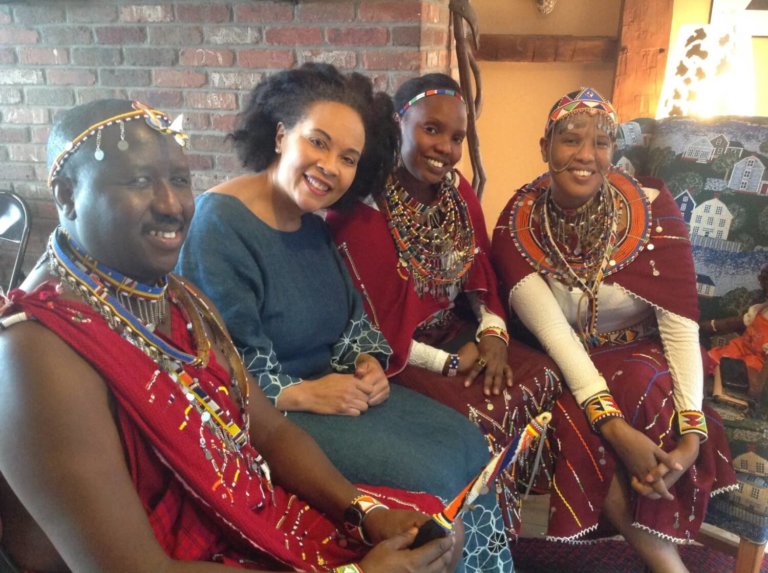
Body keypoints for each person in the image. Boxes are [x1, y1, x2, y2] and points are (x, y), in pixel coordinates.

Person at [0, 98, 463, 572]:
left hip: (248, 523)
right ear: (65, 194)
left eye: (179, 180)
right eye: (139, 181)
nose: (171, 205)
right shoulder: (35, 352)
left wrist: (366, 512)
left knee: (435, 531)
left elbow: (272, 431)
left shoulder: (178, 298)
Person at [175, 64, 511, 572]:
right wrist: (300, 392)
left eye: (348, 157)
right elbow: (222, 365)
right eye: (319, 142)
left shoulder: (309, 222)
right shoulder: (218, 224)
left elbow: (353, 319)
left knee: (467, 441)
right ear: (281, 134)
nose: (331, 166)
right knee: (435, 472)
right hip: (270, 418)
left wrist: (369, 363)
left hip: (335, 396)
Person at [491, 87, 737, 572]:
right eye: (570, 140)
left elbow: (681, 326)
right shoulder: (515, 227)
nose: (586, 155)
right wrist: (618, 432)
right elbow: (558, 339)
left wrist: (692, 435)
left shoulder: (653, 210)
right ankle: (668, 564)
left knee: (644, 388)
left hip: (639, 352)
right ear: (545, 147)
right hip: (558, 359)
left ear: (614, 151)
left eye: (601, 142)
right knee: (575, 417)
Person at [326, 73, 561, 537]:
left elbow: (481, 277)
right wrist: (451, 364)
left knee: (546, 375)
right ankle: (473, 536)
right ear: (397, 125)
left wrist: (493, 336)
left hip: (463, 336)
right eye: (431, 130)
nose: (446, 149)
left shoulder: (459, 191)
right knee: (482, 419)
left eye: (457, 137)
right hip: (404, 358)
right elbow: (373, 336)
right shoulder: (362, 213)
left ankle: (514, 527)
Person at [703, 263, 768, 408]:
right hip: (739, 348)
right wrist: (711, 325)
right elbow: (733, 323)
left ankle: (735, 399)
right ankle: (717, 393)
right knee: (716, 360)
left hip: (756, 360)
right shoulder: (760, 310)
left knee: (733, 369)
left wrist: (759, 386)